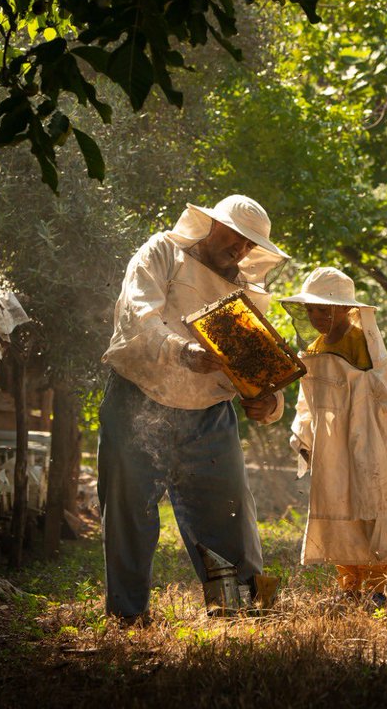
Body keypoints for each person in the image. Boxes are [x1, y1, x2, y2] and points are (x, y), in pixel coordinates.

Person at [98, 195, 289, 623]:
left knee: (229, 511)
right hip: (137, 400)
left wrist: (268, 402)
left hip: (208, 416)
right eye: (235, 239)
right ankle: (128, 617)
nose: (240, 250)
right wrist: (181, 351)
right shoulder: (161, 252)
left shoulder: (246, 295)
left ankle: (239, 608)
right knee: (130, 512)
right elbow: (137, 314)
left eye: (248, 246)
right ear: (210, 225)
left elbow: (261, 371)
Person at [280, 266, 387, 606]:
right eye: (311, 310)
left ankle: (377, 589)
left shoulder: (362, 343)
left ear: (345, 310)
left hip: (365, 437)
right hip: (330, 441)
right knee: (339, 506)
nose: (317, 317)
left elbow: (378, 398)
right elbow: (308, 400)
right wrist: (302, 437)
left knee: (370, 503)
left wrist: (375, 442)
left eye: (324, 309)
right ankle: (349, 587)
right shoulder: (317, 346)